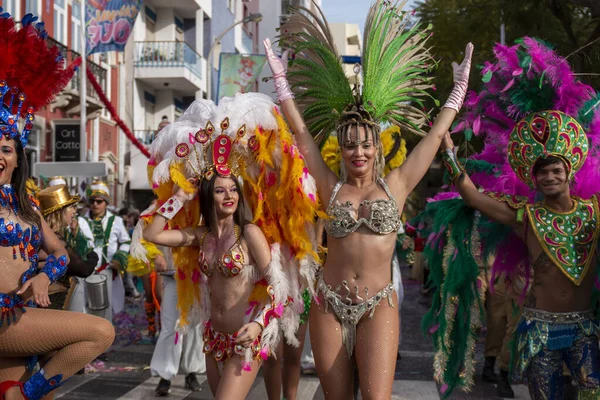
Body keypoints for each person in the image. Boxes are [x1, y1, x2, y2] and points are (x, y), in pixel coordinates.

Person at [264, 0, 473, 397]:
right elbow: (302, 132)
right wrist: (281, 80)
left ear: (376, 147)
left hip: (378, 304)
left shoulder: (396, 184)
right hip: (329, 302)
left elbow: (431, 139)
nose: (358, 152)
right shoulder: (330, 187)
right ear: (340, 150)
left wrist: (458, 90)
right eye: (350, 146)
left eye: (365, 145)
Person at [412, 37, 600, 398]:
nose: (549, 177)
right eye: (541, 172)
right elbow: (472, 195)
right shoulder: (526, 216)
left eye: (555, 170)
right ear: (533, 178)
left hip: (586, 330)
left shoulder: (594, 211)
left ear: (570, 169)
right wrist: (446, 146)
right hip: (541, 330)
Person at [141, 93, 321, 399]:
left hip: (245, 338)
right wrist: (178, 199)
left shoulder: (249, 233)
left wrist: (259, 325)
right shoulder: (201, 236)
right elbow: (153, 235)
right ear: (208, 195)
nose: (229, 196)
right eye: (220, 190)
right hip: (213, 340)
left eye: (233, 190)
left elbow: (279, 289)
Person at [0, 10, 114, 399]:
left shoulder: (27, 201)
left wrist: (45, 276)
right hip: (6, 318)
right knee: (99, 331)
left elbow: (61, 251)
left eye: (6, 148)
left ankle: (25, 391)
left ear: (17, 156)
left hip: (24, 316)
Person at [68, 181, 131, 322]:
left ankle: (103, 341)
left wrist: (119, 259)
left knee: (104, 310)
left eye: (99, 201)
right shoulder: (79, 221)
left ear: (106, 203)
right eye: (92, 201)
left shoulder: (116, 221)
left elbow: (126, 242)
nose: (95, 204)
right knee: (84, 310)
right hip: (84, 272)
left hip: (106, 271)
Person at [36, 184, 98, 310]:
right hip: (49, 305)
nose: (74, 212)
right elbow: (83, 270)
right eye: (71, 208)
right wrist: (93, 257)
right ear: (59, 212)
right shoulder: (55, 240)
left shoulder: (45, 236)